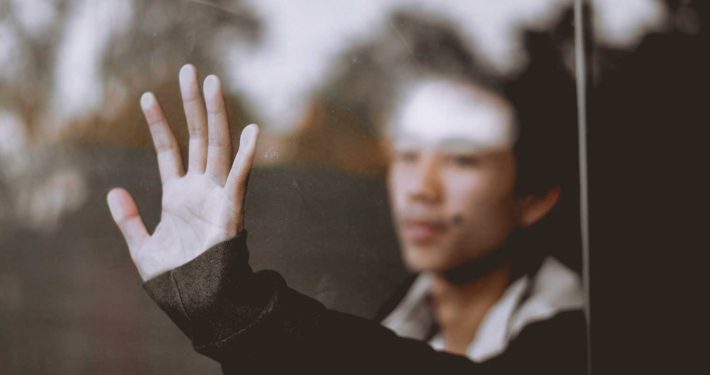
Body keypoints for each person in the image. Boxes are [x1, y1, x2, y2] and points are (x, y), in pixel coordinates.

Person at [107, 48, 586, 372]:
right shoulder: (395, 316)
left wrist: (239, 313)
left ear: (535, 197)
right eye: (408, 155)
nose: (421, 187)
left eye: (461, 159)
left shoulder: (583, 339)